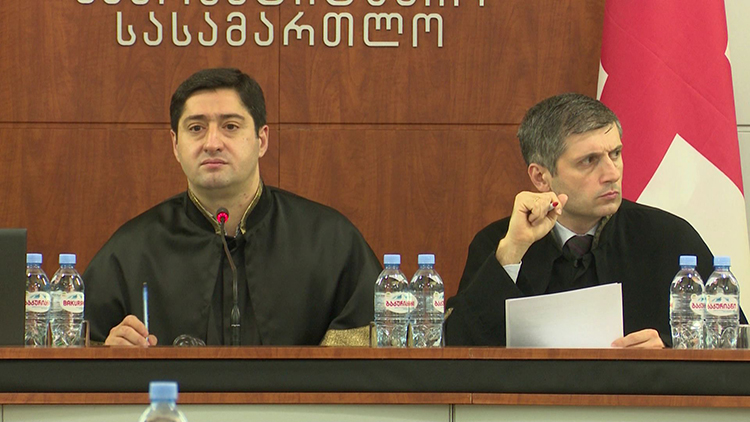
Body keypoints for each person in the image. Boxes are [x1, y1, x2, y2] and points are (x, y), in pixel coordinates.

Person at [84, 68, 381, 347]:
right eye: (196, 128)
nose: (212, 143)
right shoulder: (131, 251)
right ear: (175, 145)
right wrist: (110, 358)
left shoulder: (329, 241)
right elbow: (80, 356)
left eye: (230, 126)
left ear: (262, 140)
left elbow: (373, 359)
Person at [444, 92, 731, 348]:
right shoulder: (498, 243)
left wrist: (670, 347)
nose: (612, 173)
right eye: (589, 161)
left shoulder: (669, 237)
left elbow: (731, 339)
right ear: (541, 177)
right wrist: (510, 254)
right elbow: (456, 347)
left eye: (615, 154)